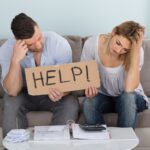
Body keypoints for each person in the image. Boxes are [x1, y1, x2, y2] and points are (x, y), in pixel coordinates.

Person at [0, 13, 79, 136]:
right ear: (18, 41)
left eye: (39, 37)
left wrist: (61, 92)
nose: (38, 45)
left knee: (71, 103)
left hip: (51, 94)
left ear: (38, 27)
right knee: (10, 102)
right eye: (31, 44)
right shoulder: (6, 49)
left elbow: (69, 84)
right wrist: (15, 61)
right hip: (24, 94)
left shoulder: (59, 44)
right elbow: (12, 92)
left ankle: (55, 144)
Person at [81, 21, 149, 128]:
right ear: (113, 32)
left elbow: (129, 89)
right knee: (88, 103)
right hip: (105, 97)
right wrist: (89, 89)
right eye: (118, 43)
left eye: (125, 49)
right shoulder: (91, 44)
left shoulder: (136, 51)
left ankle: (125, 142)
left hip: (132, 98)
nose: (118, 50)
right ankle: (101, 140)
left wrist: (135, 52)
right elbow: (85, 77)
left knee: (127, 98)